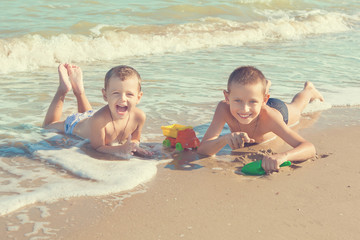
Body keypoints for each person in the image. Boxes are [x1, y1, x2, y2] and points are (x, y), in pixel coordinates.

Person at [197, 66, 324, 173]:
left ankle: (309, 90)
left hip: (277, 110)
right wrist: (224, 139)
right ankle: (263, 88)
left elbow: (309, 148)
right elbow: (203, 149)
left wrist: (283, 156)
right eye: (237, 100)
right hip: (258, 105)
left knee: (296, 108)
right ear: (227, 97)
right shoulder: (223, 108)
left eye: (252, 101)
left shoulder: (269, 118)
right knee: (252, 95)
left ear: (264, 100)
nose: (245, 109)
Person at [43, 63, 152, 157]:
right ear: (105, 95)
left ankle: (79, 91)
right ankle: (62, 89)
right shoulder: (99, 120)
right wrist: (121, 149)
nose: (122, 98)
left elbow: (136, 139)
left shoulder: (139, 117)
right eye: (116, 93)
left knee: (89, 115)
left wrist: (133, 146)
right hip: (75, 124)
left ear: (138, 97)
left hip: (92, 117)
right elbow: (99, 148)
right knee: (47, 126)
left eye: (129, 94)